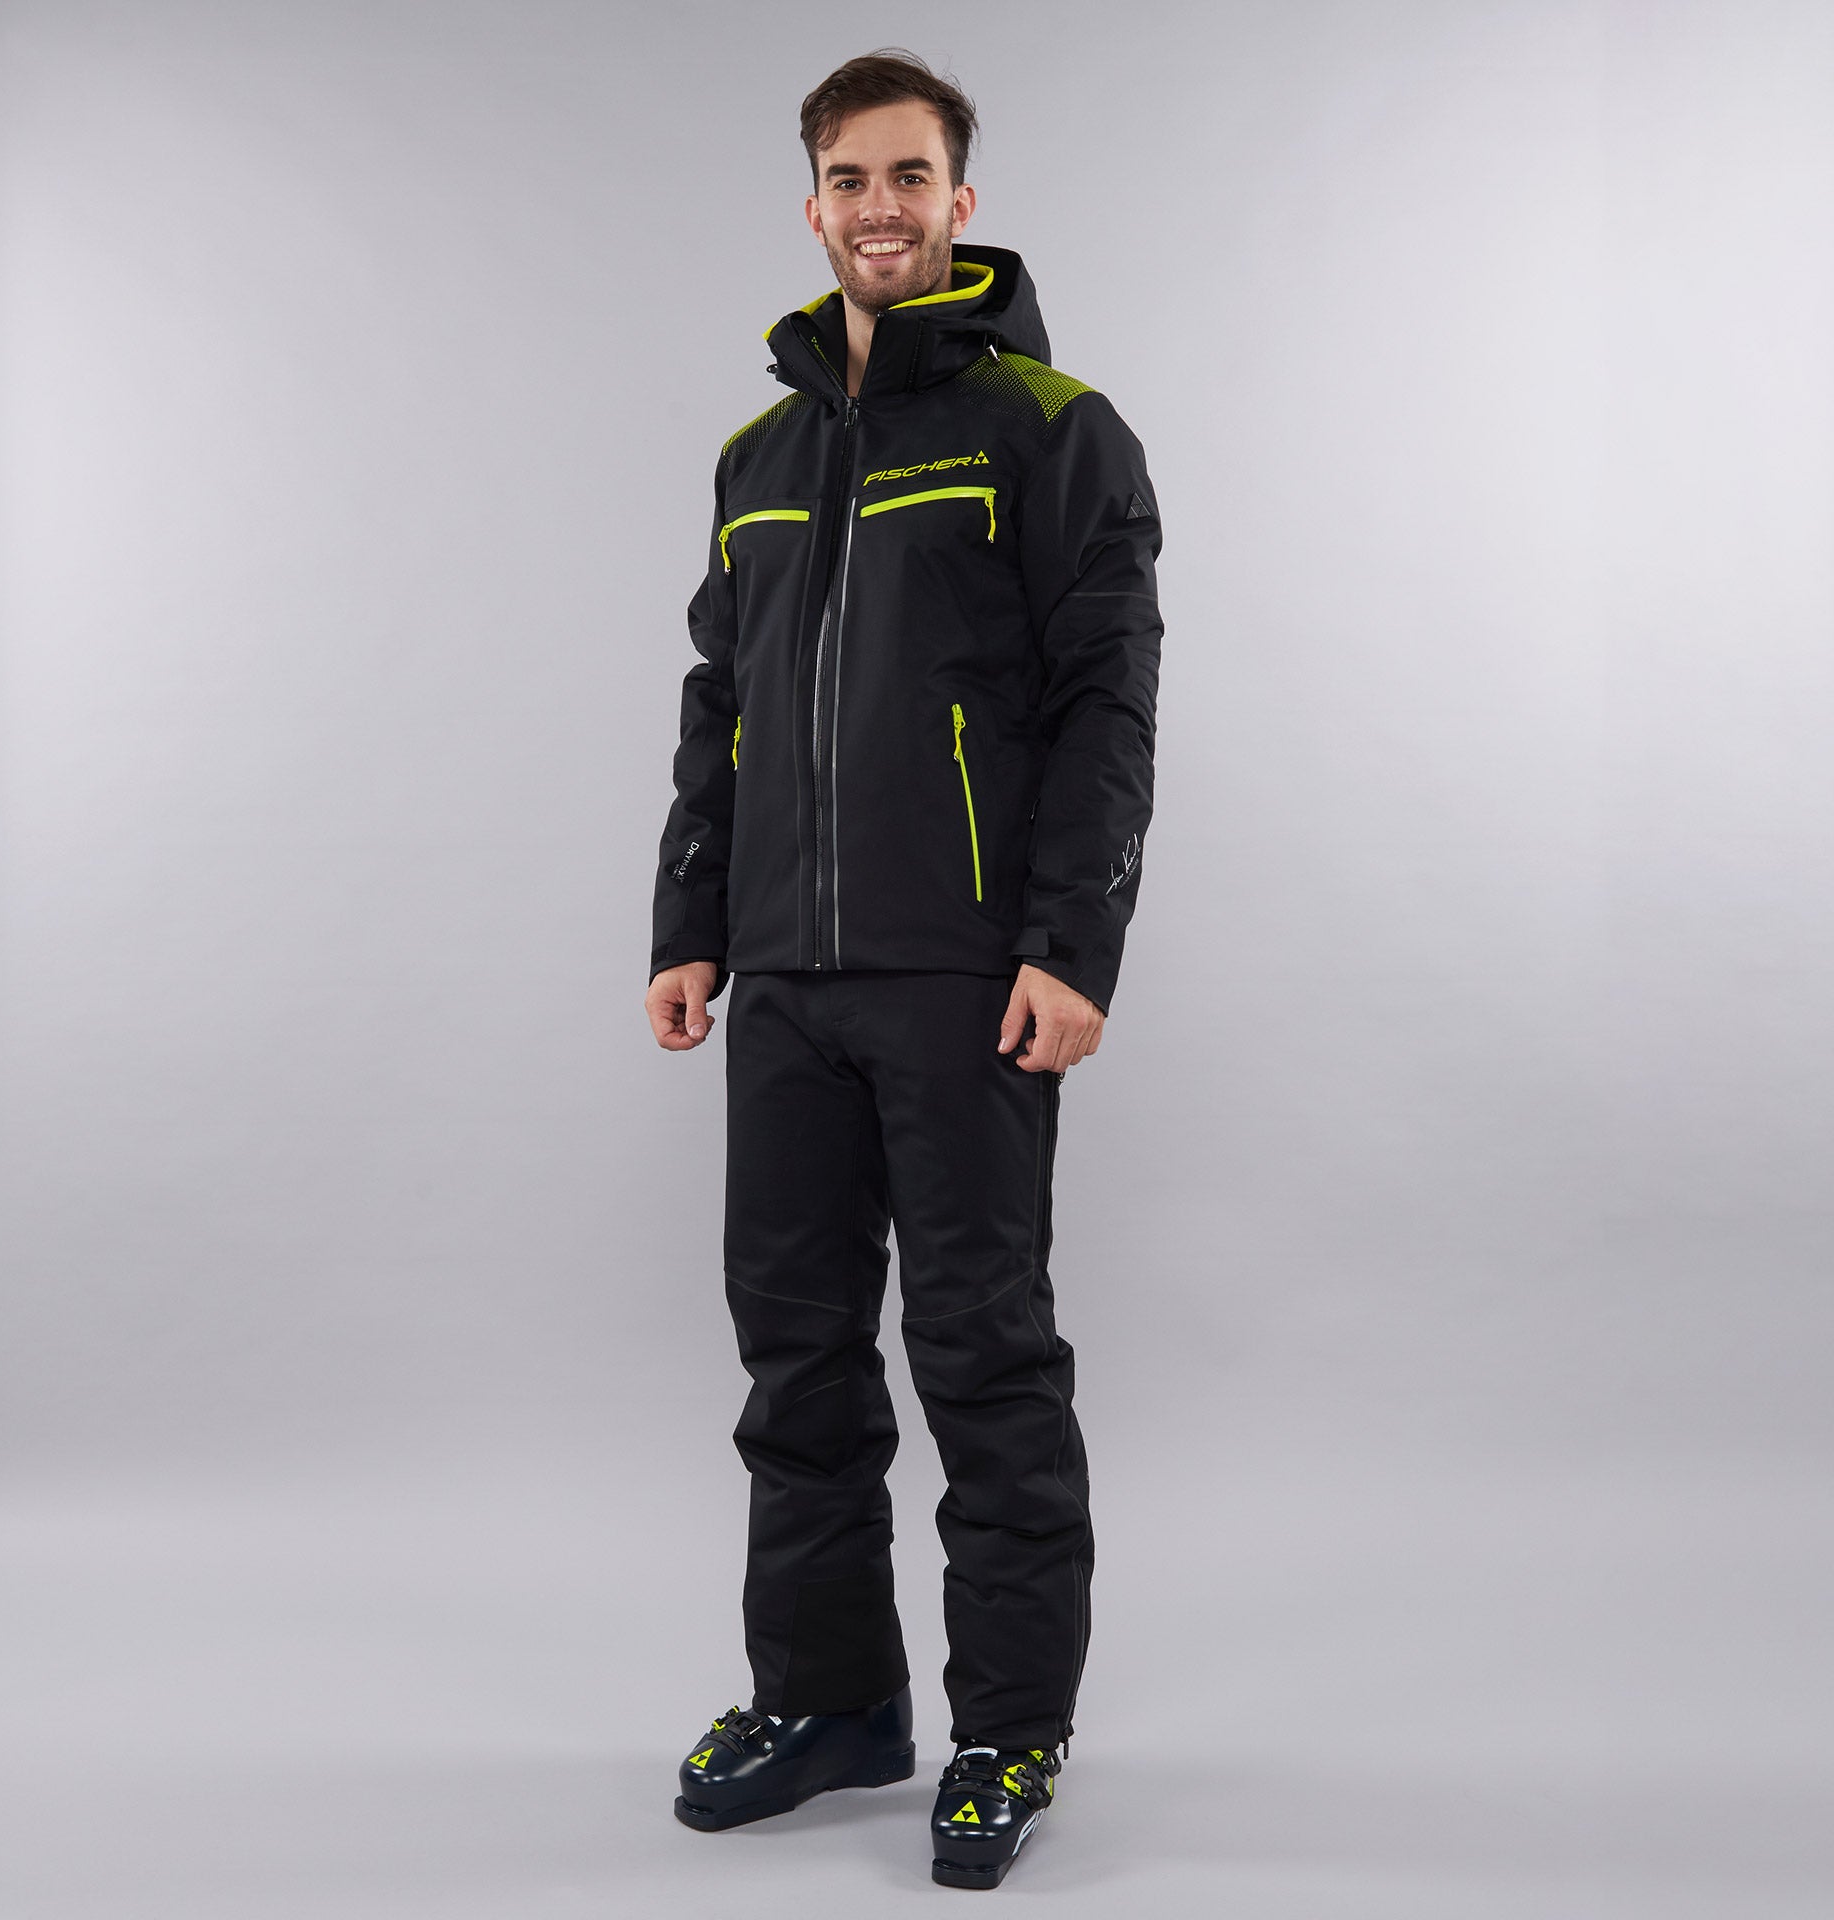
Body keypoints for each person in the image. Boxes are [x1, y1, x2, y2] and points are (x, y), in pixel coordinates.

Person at [643, 48, 1163, 1890]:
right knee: (794, 1358)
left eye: (912, 176)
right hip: (786, 982)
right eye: (851, 179)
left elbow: (1106, 709)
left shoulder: (1053, 428)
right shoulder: (760, 457)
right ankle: (832, 1702)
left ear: (962, 200)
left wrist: (1071, 948)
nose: (881, 208)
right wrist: (691, 922)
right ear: (813, 203)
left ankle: (1009, 1730)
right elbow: (721, 702)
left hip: (964, 982)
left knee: (981, 1356)